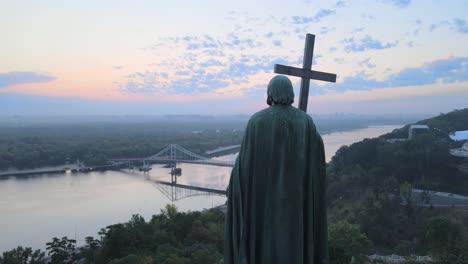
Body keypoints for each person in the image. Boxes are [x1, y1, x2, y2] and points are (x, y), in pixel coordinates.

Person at [224, 75, 329, 264]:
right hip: (297, 201)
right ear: (290, 93)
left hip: (263, 202)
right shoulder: (305, 122)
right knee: (294, 240)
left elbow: (244, 166)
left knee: (264, 239)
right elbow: (317, 162)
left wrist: (234, 184)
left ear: (270, 92)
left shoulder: (257, 122)